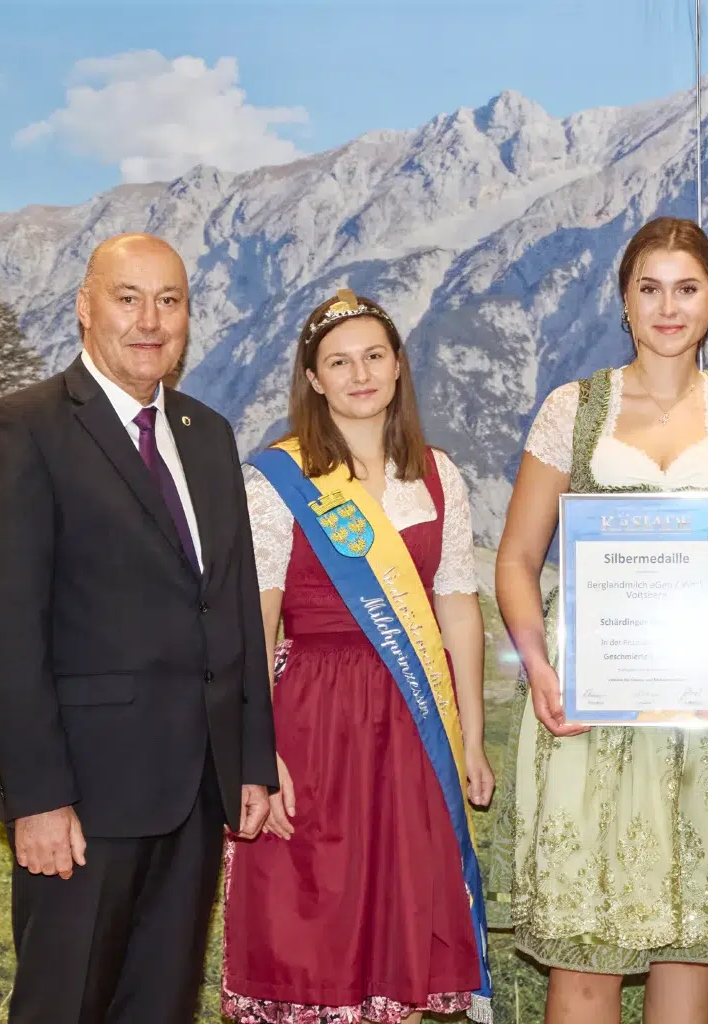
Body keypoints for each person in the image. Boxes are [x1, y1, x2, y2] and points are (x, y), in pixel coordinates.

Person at [0, 233, 277, 1023]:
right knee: (63, 1006)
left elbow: (232, 606)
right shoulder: (20, 430)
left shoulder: (210, 435)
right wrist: (37, 798)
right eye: (127, 298)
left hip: (197, 796)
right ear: (84, 308)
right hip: (82, 803)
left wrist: (252, 759)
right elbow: (3, 631)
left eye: (169, 301)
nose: (150, 320)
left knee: (160, 1007)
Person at [490, 216, 708, 1024]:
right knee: (586, 951)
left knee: (685, 942)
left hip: (701, 703)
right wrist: (541, 667)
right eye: (648, 289)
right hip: (589, 696)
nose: (667, 307)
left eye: (685, 289)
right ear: (624, 301)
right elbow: (516, 560)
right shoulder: (573, 408)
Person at [220, 289, 495, 1024]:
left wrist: (470, 734)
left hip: (412, 720)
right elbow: (258, 622)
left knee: (396, 912)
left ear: (399, 366)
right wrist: (258, 748)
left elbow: (458, 604)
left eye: (374, 356)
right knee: (316, 916)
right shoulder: (279, 480)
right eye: (338, 362)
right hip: (314, 718)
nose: (360, 374)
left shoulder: (438, 475)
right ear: (312, 379)